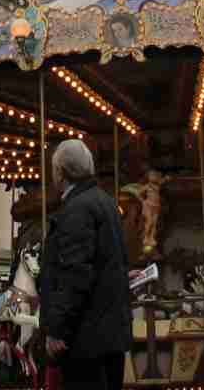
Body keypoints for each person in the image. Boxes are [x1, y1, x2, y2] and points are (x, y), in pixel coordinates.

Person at [40, 139, 131, 390]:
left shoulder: (76, 209)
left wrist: (56, 328)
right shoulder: (106, 202)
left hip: (85, 339)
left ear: (61, 172)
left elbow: (75, 273)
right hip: (110, 335)